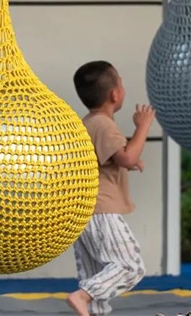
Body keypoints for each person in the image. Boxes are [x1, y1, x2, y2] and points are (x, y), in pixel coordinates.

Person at [65, 60, 153, 316]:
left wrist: (130, 160)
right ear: (115, 94)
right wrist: (143, 126)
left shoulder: (89, 123)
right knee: (130, 266)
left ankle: (90, 306)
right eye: (121, 82)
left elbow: (113, 157)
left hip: (83, 212)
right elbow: (125, 156)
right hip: (101, 210)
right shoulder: (104, 124)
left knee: (96, 272)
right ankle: (82, 296)